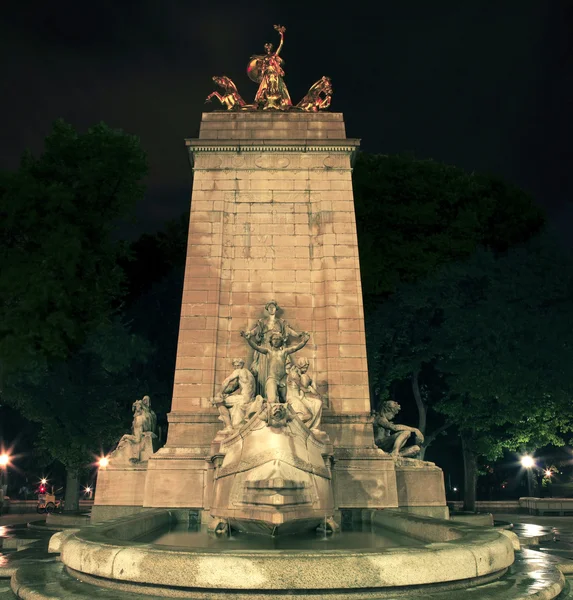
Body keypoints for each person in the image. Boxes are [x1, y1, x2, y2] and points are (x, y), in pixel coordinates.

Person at [246, 300, 301, 396]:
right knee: (263, 371)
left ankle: (278, 395)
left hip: (278, 348)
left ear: (276, 309)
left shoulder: (281, 322)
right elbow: (255, 331)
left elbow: (289, 331)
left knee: (279, 368)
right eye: (270, 307)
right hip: (265, 347)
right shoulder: (262, 322)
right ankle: (264, 395)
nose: (272, 309)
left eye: (273, 307)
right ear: (267, 309)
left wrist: (299, 335)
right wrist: (249, 334)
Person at [241, 331, 310, 403]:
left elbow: (295, 348)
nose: (276, 341)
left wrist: (304, 341)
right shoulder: (268, 352)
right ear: (271, 341)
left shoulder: (284, 352)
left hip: (283, 379)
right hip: (272, 379)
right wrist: (248, 340)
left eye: (278, 339)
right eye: (274, 339)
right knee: (272, 400)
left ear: (281, 341)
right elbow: (257, 347)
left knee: (284, 400)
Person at [248, 25, 292, 110]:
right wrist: (255, 58)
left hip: (275, 74)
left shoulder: (274, 55)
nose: (268, 48)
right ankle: (261, 102)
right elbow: (258, 60)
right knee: (262, 88)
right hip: (267, 74)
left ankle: (282, 102)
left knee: (280, 87)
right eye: (266, 47)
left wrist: (282, 35)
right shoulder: (264, 58)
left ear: (271, 48)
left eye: (269, 47)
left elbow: (281, 45)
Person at [286, 357, 325, 433]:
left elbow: (311, 391)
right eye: (305, 367)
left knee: (318, 403)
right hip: (293, 398)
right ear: (301, 365)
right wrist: (310, 387)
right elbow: (303, 387)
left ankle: (312, 427)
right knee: (308, 415)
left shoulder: (302, 374)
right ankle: (292, 425)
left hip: (300, 397)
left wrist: (312, 384)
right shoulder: (294, 373)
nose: (306, 369)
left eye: (307, 367)